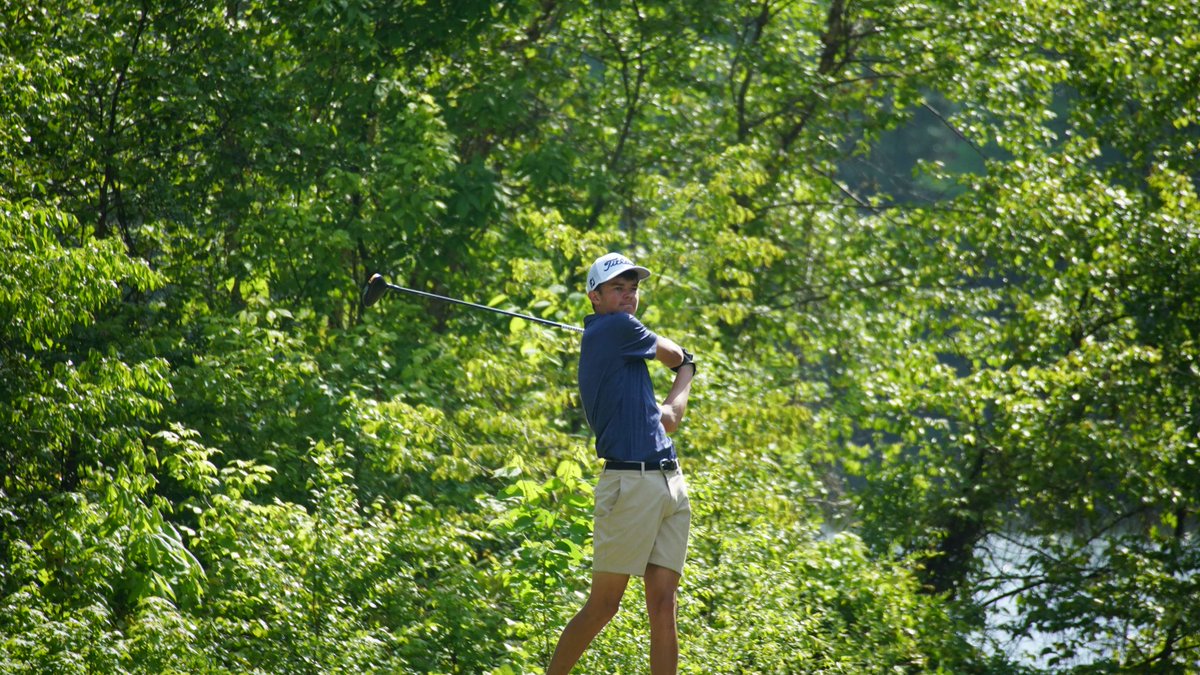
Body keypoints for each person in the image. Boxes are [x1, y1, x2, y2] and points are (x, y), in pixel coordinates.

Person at [547, 252, 696, 675]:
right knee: (604, 605)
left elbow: (670, 421)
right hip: (630, 484)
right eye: (618, 288)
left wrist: (686, 374)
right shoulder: (616, 328)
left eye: (633, 289)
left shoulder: (621, 349)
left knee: (664, 603)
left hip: (669, 481)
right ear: (595, 297)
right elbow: (669, 354)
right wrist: (684, 362)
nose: (628, 296)